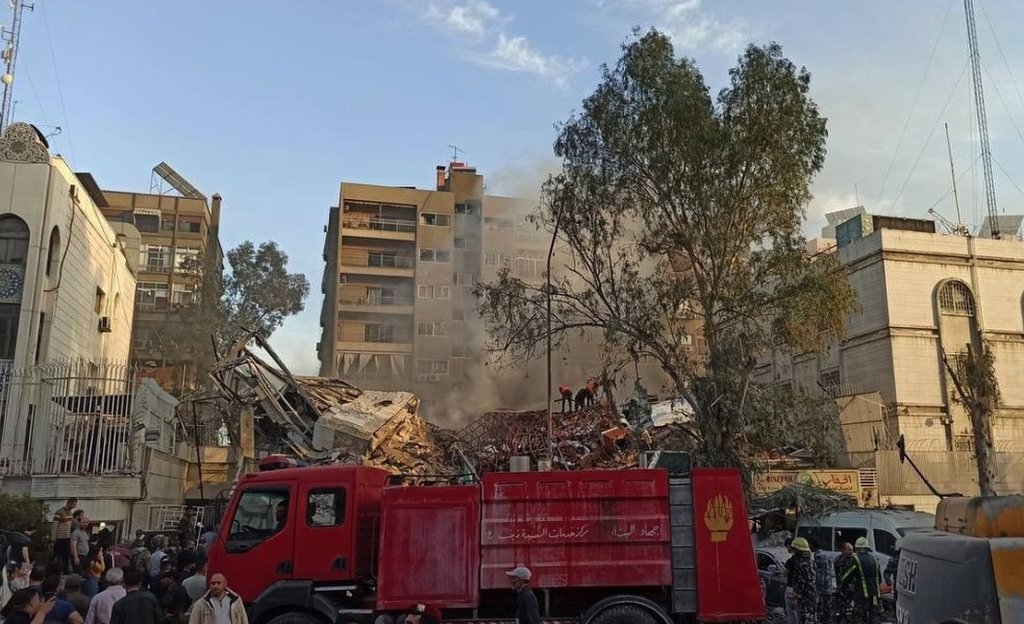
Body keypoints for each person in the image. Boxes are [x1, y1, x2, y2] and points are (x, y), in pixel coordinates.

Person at [839, 537, 881, 624]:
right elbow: (879, 577)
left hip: (862, 595)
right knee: (874, 618)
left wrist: (842, 586)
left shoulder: (856, 559)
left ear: (857, 548)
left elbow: (846, 576)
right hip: (875, 595)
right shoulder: (874, 558)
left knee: (858, 618)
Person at [789, 538, 817, 624]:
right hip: (813, 596)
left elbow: (801, 582)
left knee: (804, 619)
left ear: (797, 550)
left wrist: (796, 595)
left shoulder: (800, 564)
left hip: (804, 598)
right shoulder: (811, 562)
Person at [810, 537, 835, 624]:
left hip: (822, 590)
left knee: (820, 612)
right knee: (828, 612)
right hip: (829, 587)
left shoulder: (819, 557)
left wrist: (817, 590)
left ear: (813, 545)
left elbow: (819, 575)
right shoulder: (827, 555)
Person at [52, 497, 78, 573]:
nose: (74, 506)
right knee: (57, 556)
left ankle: (65, 571)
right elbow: (54, 526)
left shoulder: (70, 513)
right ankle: (55, 571)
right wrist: (53, 539)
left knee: (66, 557)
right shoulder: (59, 512)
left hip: (67, 537)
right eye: (73, 504)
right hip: (60, 537)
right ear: (69, 503)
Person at [833, 542, 855, 624]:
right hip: (841, 590)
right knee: (841, 609)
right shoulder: (837, 561)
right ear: (843, 550)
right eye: (849, 550)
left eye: (852, 550)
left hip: (853, 590)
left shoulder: (854, 560)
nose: (851, 552)